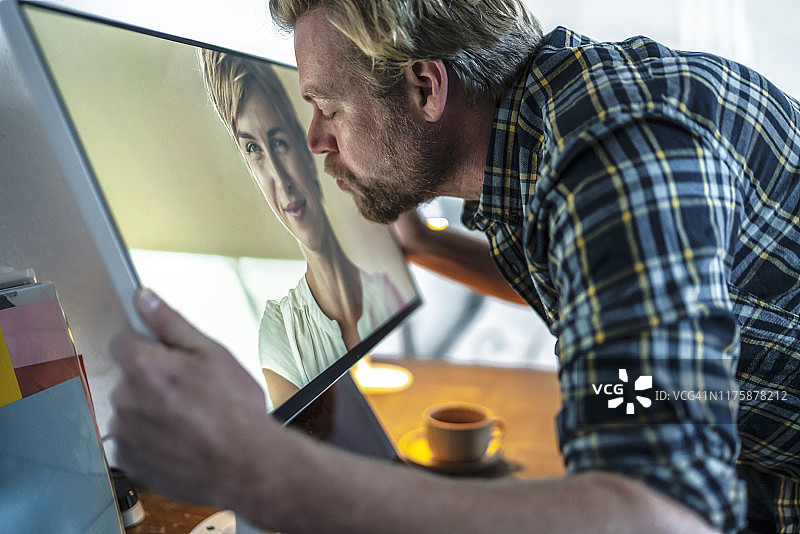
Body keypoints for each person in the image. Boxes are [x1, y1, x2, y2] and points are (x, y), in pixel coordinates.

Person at [110, 1, 800, 532]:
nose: (317, 138)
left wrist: (252, 463)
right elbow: (594, 271)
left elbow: (662, 516)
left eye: (326, 106)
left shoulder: (617, 160)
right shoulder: (556, 127)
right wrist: (432, 247)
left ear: (424, 86)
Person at [199, 50, 405, 406]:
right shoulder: (281, 335)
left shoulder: (385, 291)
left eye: (280, 142)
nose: (280, 179)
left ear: (306, 146)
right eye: (253, 149)